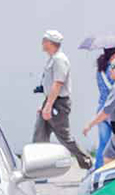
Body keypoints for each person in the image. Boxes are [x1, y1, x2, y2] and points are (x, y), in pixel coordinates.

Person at [34, 30, 92, 170]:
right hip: (51, 100)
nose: (42, 43)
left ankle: (87, 162)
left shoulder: (60, 59)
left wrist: (48, 105)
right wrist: (45, 103)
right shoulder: (53, 59)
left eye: (44, 40)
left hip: (57, 103)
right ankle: (40, 168)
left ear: (50, 43)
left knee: (64, 137)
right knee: (40, 136)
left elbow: (58, 84)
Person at [93, 47, 115, 169]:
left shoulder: (100, 70)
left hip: (101, 110)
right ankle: (112, 170)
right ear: (114, 55)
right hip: (112, 111)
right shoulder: (113, 70)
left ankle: (98, 169)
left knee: (103, 143)